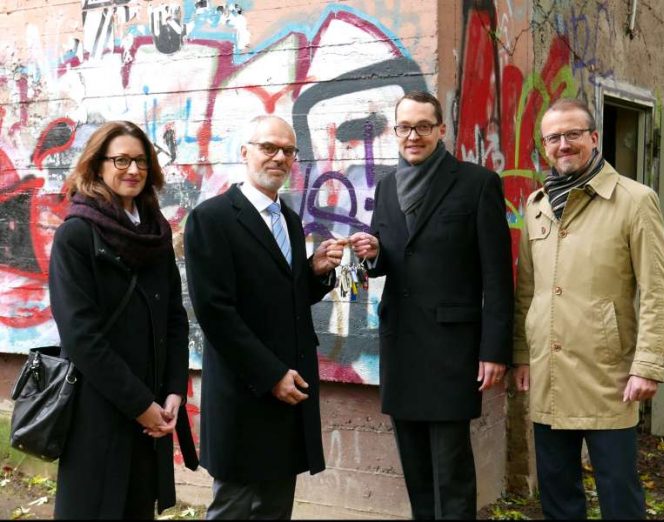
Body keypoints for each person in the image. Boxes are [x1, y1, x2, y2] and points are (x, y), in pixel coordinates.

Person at [349, 91, 514, 519]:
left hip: (451, 350)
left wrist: (494, 350)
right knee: (417, 472)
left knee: (452, 473)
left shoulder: (477, 183)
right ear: (396, 132)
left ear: (441, 130)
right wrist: (374, 254)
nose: (413, 136)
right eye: (405, 127)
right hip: (401, 345)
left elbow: (497, 277)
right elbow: (392, 259)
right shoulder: (386, 187)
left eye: (424, 126)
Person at [513, 98, 664, 519]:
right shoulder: (537, 206)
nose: (563, 144)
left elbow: (657, 290)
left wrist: (648, 364)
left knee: (618, 494)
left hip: (610, 375)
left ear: (593, 138)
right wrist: (520, 355)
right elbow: (527, 291)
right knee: (557, 493)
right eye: (554, 138)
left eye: (573, 134)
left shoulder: (635, 200)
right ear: (544, 146)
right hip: (549, 369)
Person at [184, 115, 345, 519]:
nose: (278, 157)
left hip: (290, 386)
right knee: (234, 508)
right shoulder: (211, 218)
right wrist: (271, 374)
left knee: (275, 508)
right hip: (246, 390)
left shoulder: (288, 218)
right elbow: (215, 312)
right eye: (267, 148)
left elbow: (286, 299)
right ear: (245, 153)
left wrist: (314, 271)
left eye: (287, 151)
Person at [48, 120, 198, 519]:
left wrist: (172, 393)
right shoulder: (76, 235)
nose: (133, 170)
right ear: (97, 166)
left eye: (141, 162)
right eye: (121, 160)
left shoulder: (155, 233)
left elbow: (174, 317)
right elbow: (81, 336)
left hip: (152, 413)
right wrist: (140, 405)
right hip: (97, 412)